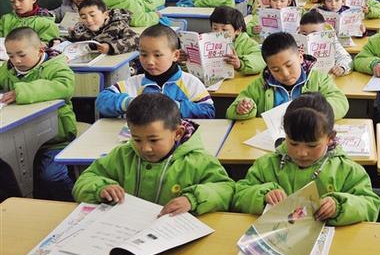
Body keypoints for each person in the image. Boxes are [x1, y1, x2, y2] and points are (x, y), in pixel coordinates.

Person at [73, 93, 234, 216]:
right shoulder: (122, 155)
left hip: (173, 235)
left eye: (154, 140)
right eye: (137, 139)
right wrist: (100, 188)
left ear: (178, 133)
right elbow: (85, 180)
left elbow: (226, 189)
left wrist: (192, 199)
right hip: (125, 230)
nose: (145, 148)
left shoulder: (198, 160)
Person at [232, 93, 380, 225]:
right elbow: (239, 195)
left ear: (330, 138)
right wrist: (263, 195)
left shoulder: (346, 170)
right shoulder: (267, 165)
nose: (301, 153)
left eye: (312, 145)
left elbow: (370, 205)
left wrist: (339, 206)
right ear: (285, 134)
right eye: (293, 143)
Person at [0, 27, 76, 200]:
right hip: (17, 135)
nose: (16, 60)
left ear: (40, 49)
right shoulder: (8, 69)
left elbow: (65, 87)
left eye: (21, 54)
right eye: (11, 55)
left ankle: (69, 203)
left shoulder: (55, 66)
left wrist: (21, 92)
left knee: (51, 175)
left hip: (55, 138)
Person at [96, 24, 215, 118]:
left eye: (157, 55)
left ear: (175, 55)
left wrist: (173, 107)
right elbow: (102, 101)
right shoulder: (134, 83)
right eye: (143, 54)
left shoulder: (190, 83)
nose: (150, 61)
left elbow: (208, 111)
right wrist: (131, 102)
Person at [227, 32, 349, 120]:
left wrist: (317, 110)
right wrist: (243, 109)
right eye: (275, 70)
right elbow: (232, 110)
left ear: (300, 57)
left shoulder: (318, 79)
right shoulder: (261, 84)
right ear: (268, 67)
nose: (285, 74)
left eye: (289, 65)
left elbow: (340, 102)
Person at [67, 0, 139, 54]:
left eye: (92, 15)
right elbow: (70, 39)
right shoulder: (82, 28)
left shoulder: (118, 25)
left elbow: (136, 40)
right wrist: (69, 36)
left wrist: (110, 47)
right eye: (83, 17)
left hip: (120, 63)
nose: (88, 20)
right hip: (93, 62)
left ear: (105, 15)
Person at [209, 6, 265, 75]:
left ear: (238, 30)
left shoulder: (248, 44)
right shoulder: (208, 43)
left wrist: (241, 64)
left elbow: (260, 61)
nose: (218, 33)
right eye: (215, 28)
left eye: (224, 30)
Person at [299, 9, 352, 77]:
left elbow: (346, 58)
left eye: (314, 34)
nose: (309, 37)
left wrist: (342, 68)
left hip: (325, 78)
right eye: (304, 34)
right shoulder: (294, 41)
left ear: (324, 31)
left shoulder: (330, 41)